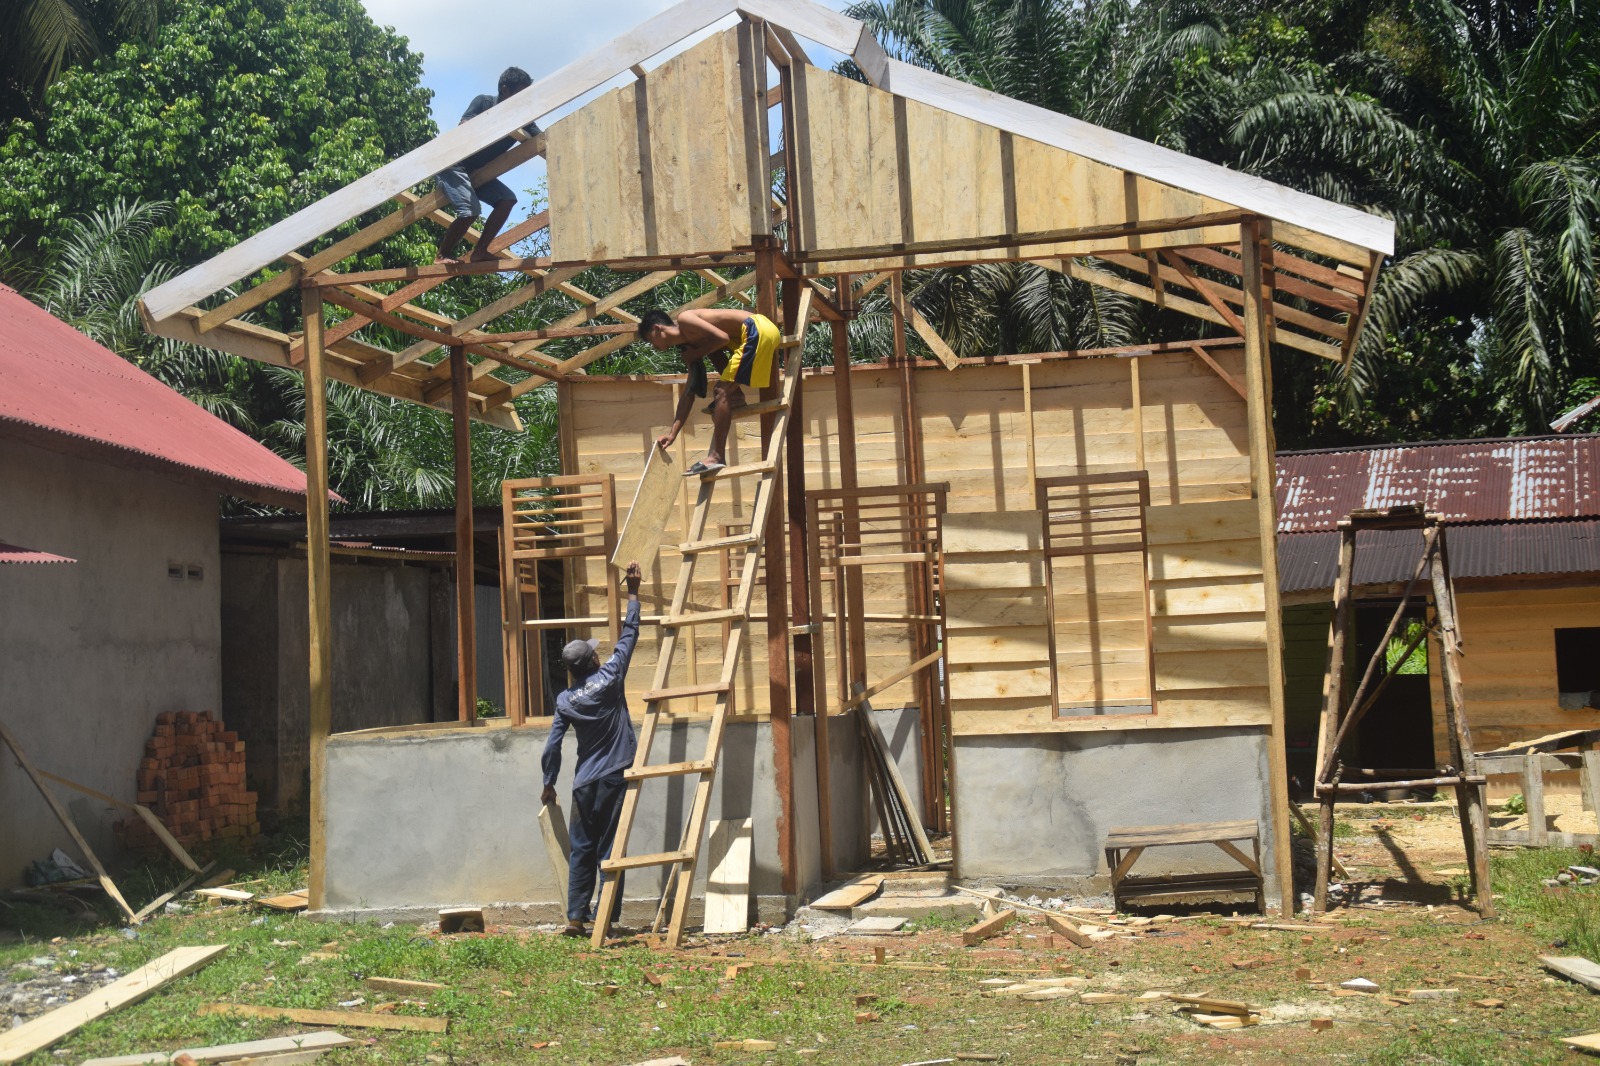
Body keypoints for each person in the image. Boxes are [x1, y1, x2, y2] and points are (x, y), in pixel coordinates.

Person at [540, 561, 643, 937]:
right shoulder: (611, 677)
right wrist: (633, 592)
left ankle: (575, 917)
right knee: (611, 847)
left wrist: (549, 782)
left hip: (583, 782)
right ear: (594, 661)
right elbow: (629, 636)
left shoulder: (565, 700)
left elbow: (553, 745)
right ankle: (604, 919)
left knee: (582, 847)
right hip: (615, 775)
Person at [638, 306, 782, 476]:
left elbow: (722, 338)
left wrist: (696, 354)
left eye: (650, 340)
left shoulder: (685, 319)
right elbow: (688, 393)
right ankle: (735, 396)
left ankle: (716, 457)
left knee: (721, 391)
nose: (653, 346)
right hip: (751, 335)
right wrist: (673, 434)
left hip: (757, 329)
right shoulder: (690, 346)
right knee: (714, 355)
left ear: (657, 328)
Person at [434, 67, 541, 264]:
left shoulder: (522, 118)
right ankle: (443, 255)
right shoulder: (484, 102)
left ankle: (480, 251)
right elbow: (464, 127)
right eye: (520, 93)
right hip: (454, 166)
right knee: (470, 210)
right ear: (505, 90)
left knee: (507, 200)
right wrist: (500, 120)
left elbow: (543, 140)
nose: (523, 99)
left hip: (477, 171)